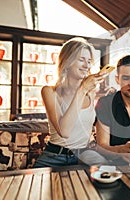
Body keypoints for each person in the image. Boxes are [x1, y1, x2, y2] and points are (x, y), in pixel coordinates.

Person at [34, 37, 108, 167]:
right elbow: (64, 131)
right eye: (81, 60)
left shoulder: (91, 92)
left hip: (84, 156)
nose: (87, 65)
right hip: (54, 157)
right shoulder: (49, 92)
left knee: (110, 175)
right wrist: (82, 88)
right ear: (67, 61)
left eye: (89, 61)